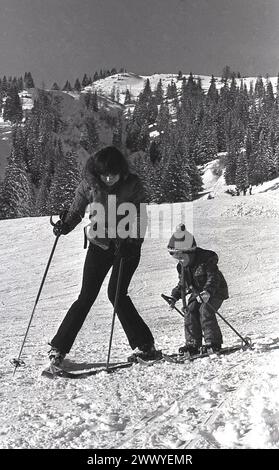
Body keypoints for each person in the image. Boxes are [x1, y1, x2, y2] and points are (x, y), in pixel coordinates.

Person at [48, 146, 161, 366]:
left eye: (114, 174)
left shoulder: (132, 184)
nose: (109, 178)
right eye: (105, 174)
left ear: (121, 171)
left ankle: (145, 345)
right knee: (86, 297)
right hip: (99, 244)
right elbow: (76, 210)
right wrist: (65, 225)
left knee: (116, 294)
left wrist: (133, 242)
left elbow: (140, 217)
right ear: (97, 172)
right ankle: (58, 348)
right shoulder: (89, 185)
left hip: (126, 246)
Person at [168, 224, 229, 355]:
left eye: (181, 257)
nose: (180, 261)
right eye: (176, 258)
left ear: (191, 252)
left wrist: (207, 291)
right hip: (198, 294)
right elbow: (182, 284)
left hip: (215, 291)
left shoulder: (206, 260)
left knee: (205, 310)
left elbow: (213, 278)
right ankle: (192, 344)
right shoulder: (182, 267)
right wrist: (174, 296)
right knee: (189, 311)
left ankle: (213, 342)